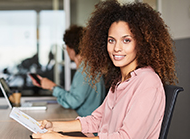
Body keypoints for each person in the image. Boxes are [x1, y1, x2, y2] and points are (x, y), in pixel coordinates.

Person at [31, 0, 178, 139]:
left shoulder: (148, 82)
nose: (116, 48)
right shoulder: (120, 81)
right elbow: (98, 120)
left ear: (141, 43)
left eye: (126, 40)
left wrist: (61, 138)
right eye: (111, 40)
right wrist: (53, 126)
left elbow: (125, 137)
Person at [30, 25, 106, 117]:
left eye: (65, 46)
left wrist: (52, 87)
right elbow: (71, 101)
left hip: (87, 127)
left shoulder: (84, 70)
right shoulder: (92, 67)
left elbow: (73, 102)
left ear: (71, 48)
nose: (65, 49)